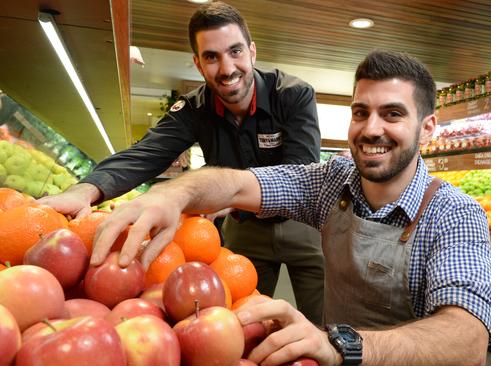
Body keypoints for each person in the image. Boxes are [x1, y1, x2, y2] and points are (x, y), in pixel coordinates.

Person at [92, 50, 491, 366]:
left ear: (428, 127)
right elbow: (239, 183)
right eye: (361, 113)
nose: (372, 129)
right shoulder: (333, 182)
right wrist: (173, 194)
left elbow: (466, 341)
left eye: (392, 114)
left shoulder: (455, 214)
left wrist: (341, 344)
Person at [38, 1, 324, 325]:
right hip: (245, 231)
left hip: (302, 227)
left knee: (321, 323)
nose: (227, 67)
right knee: (249, 321)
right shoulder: (194, 108)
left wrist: (225, 195)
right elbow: (145, 154)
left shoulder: (293, 94)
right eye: (211, 57)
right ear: (198, 64)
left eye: (235, 51)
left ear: (252, 51)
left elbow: (300, 170)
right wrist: (86, 190)